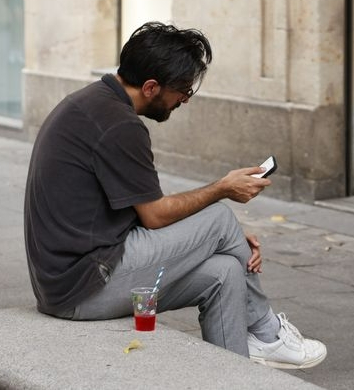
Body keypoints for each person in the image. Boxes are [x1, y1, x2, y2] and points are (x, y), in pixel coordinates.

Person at [24, 21, 326, 369]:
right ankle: (266, 331)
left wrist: (222, 241)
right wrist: (222, 190)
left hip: (70, 280)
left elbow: (143, 208)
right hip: (85, 287)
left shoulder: (95, 103)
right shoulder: (119, 125)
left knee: (225, 271)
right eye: (182, 89)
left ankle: (234, 376)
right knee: (220, 216)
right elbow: (155, 215)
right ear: (151, 87)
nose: (184, 98)